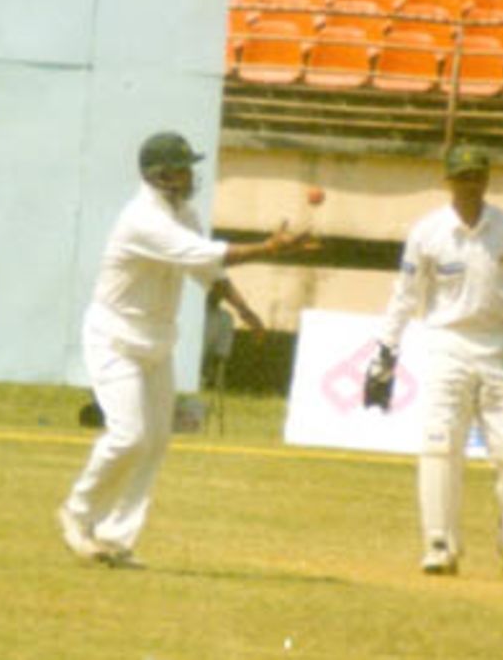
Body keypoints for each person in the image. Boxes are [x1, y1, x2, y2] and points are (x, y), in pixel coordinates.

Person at [57, 130, 314, 568]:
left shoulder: (184, 214)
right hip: (114, 337)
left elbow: (207, 270)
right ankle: (76, 513)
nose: (188, 174)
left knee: (155, 441)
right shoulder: (142, 218)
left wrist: (243, 308)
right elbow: (204, 252)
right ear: (157, 174)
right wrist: (269, 248)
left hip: (157, 339)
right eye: (179, 167)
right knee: (128, 435)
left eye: (188, 166)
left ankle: (116, 539)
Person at [365, 147, 503, 579]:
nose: (470, 185)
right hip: (446, 343)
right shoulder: (428, 232)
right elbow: (405, 295)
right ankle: (440, 544)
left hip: (499, 344)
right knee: (440, 444)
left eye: (477, 176)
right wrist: (385, 354)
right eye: (462, 177)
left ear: (486, 179)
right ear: (448, 181)